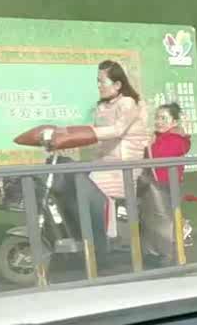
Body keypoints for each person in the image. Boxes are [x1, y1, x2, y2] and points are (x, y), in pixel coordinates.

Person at [73, 61, 151, 255]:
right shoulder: (101, 107)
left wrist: (84, 134)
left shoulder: (128, 103)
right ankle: (103, 238)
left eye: (102, 81)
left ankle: (108, 239)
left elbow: (117, 130)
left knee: (94, 188)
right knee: (82, 183)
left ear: (117, 84)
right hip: (104, 164)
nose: (99, 85)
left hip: (125, 165)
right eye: (97, 81)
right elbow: (98, 139)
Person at [136, 103, 190, 263]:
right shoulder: (157, 137)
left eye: (163, 118)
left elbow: (159, 155)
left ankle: (166, 254)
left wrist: (148, 144)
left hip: (165, 186)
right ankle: (153, 253)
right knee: (152, 221)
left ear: (174, 122)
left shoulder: (177, 139)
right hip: (152, 186)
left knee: (164, 221)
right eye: (157, 118)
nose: (158, 122)